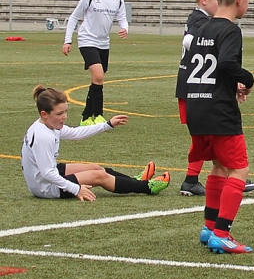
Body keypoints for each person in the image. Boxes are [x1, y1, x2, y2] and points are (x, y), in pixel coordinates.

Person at [183, 0, 254, 254]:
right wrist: (247, 79)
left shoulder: (202, 28)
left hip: (197, 106)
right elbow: (226, 63)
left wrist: (230, 83)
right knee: (239, 168)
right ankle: (222, 233)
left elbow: (204, 67)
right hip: (219, 110)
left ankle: (209, 227)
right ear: (240, 0)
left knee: (219, 166)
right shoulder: (230, 30)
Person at [175, 0, 254, 198]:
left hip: (197, 87)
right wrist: (246, 78)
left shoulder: (205, 23)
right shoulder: (204, 23)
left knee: (213, 152)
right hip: (204, 90)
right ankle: (220, 183)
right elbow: (201, 49)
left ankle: (197, 182)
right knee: (228, 158)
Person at [22, 85, 169, 200]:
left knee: (95, 167)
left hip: (45, 177)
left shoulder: (49, 125)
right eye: (59, 113)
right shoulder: (43, 136)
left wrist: (107, 125)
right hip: (45, 187)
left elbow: (76, 133)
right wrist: (76, 189)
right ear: (44, 114)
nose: (64, 117)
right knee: (99, 176)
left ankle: (135, 181)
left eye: (65, 111)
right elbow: (47, 174)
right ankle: (147, 187)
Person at [62, 0, 129, 126]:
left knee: (97, 80)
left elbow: (123, 18)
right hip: (87, 40)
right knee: (99, 76)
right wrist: (68, 40)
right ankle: (98, 115)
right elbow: (74, 17)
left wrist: (124, 28)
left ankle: (86, 117)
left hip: (104, 43)